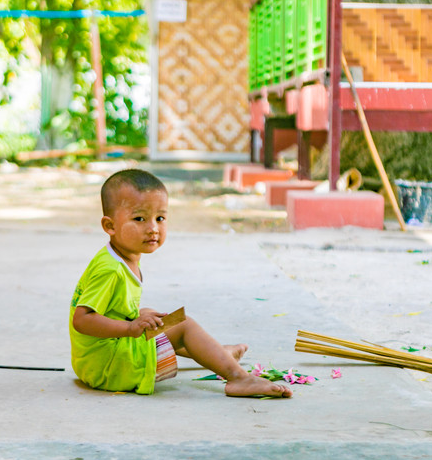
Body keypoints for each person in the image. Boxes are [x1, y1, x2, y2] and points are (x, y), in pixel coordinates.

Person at [69, 168, 292, 398]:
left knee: (151, 316)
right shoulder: (111, 269)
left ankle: (214, 354)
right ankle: (239, 378)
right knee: (182, 324)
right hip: (110, 367)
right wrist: (129, 328)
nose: (153, 228)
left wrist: (134, 322)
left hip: (98, 361)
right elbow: (82, 319)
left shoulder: (118, 257)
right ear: (110, 226)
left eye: (160, 218)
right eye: (139, 219)